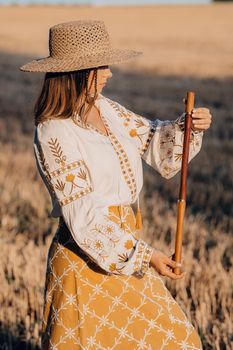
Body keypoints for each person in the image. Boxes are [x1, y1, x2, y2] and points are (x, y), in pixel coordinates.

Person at [19, 20, 211, 350]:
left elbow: (153, 139)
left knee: (180, 341)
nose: (110, 73)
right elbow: (86, 219)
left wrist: (188, 126)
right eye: (101, 65)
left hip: (124, 247)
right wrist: (146, 256)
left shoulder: (106, 109)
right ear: (77, 71)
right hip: (85, 258)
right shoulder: (54, 132)